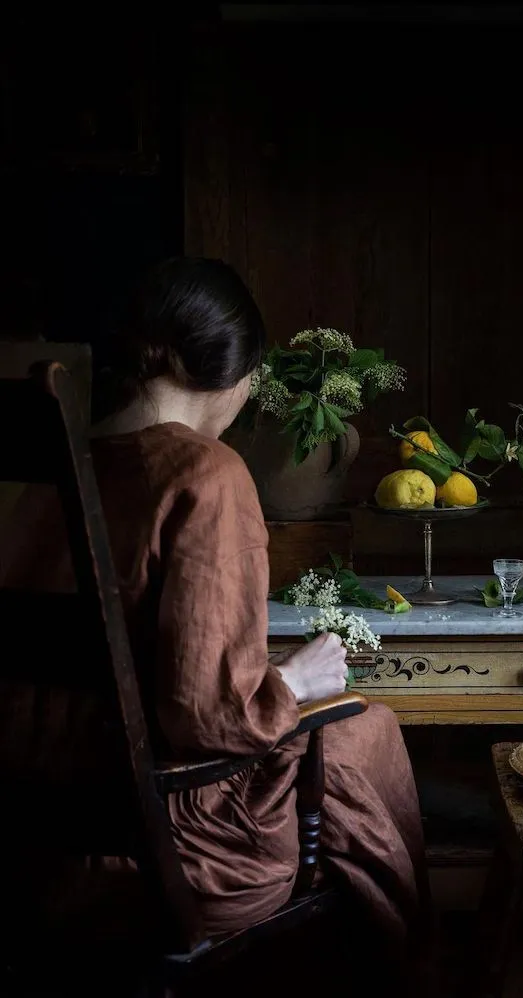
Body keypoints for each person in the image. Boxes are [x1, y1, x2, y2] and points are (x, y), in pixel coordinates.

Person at [0, 258, 429, 982]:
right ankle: (394, 976)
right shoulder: (206, 471)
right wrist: (293, 679)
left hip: (36, 836)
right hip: (161, 850)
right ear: (237, 374)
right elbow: (206, 718)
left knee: (349, 736)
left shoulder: (53, 470)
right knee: (364, 729)